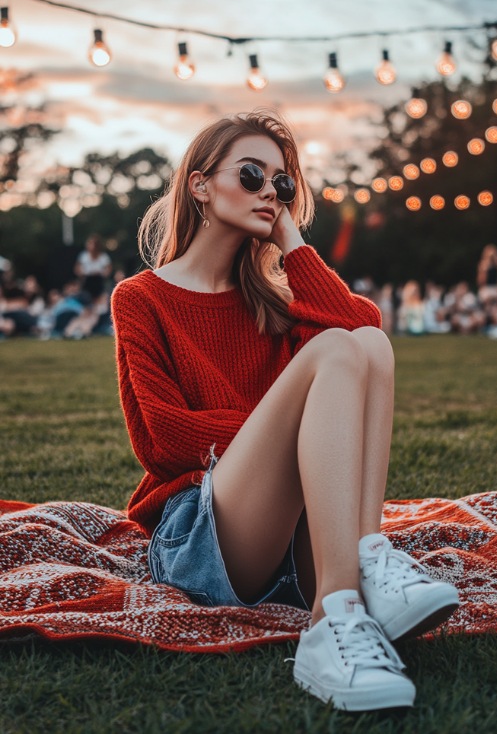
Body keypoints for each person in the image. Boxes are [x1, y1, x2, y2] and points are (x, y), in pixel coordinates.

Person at [111, 111, 459, 713]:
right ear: (200, 184)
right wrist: (289, 428)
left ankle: (364, 562)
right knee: (332, 350)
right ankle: (335, 621)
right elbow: (163, 439)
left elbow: (366, 328)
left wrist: (292, 242)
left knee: (366, 344)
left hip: (290, 532)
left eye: (284, 183)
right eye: (251, 174)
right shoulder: (141, 298)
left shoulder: (274, 302)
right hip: (203, 535)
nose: (270, 191)